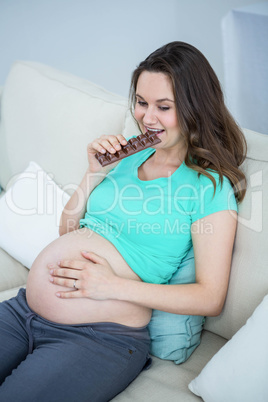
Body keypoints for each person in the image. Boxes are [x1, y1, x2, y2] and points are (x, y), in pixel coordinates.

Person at [0, 41, 247, 401]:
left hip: (100, 337)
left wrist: (109, 285)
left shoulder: (209, 187)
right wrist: (92, 174)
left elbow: (210, 297)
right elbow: (67, 230)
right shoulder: (130, 153)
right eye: (141, 102)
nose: (147, 118)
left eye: (164, 107)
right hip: (23, 311)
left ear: (195, 108)